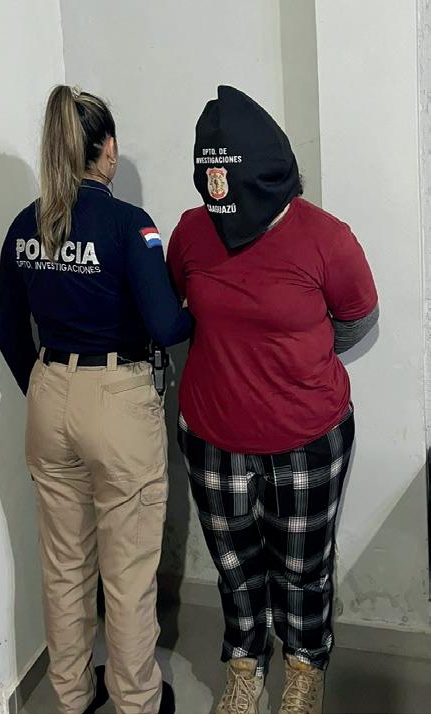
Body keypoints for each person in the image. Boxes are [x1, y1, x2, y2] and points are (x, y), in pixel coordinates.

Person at [167, 86, 378, 714]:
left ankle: (304, 665)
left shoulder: (327, 239)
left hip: (307, 440)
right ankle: (245, 661)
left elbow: (356, 320)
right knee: (235, 564)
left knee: (303, 565)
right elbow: (182, 305)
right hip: (212, 438)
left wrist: (290, 368)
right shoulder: (192, 231)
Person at [0, 85, 192, 714]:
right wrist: (197, 303)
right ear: (107, 149)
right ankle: (136, 700)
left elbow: (8, 331)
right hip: (116, 399)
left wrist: (48, 387)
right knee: (127, 572)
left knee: (64, 568)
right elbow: (165, 325)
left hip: (49, 395)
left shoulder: (24, 226)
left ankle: (74, 697)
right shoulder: (130, 223)